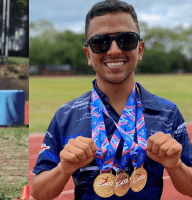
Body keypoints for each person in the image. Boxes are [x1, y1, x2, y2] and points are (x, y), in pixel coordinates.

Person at [31, 1, 192, 200]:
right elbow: (38, 192)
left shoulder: (167, 113)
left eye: (126, 39)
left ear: (140, 49)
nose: (114, 50)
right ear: (88, 53)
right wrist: (64, 168)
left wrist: (175, 166)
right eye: (100, 42)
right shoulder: (66, 116)